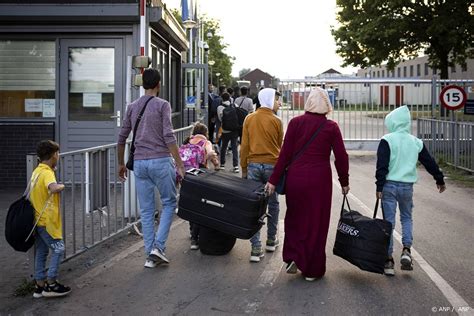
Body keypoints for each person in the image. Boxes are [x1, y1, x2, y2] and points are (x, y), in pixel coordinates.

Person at [266, 88, 350, 281]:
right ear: (327, 105)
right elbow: (341, 157)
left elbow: (284, 154)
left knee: (295, 218)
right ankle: (311, 268)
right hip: (319, 181)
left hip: (296, 178)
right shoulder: (331, 127)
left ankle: (294, 256)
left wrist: (273, 179)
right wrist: (344, 181)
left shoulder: (296, 123)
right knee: (316, 222)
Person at [118, 68, 185, 269]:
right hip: (160, 161)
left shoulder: (132, 107)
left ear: (142, 84)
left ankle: (149, 256)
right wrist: (180, 164)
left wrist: (121, 163)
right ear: (158, 84)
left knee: (146, 211)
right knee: (169, 202)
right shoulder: (162, 105)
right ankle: (158, 248)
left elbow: (121, 137)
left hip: (139, 163)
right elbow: (168, 136)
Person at [375, 105, 446, 276]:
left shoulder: (387, 140)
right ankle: (406, 250)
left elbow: (382, 166)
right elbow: (429, 162)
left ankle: (389, 261)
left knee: (389, 223)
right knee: (407, 218)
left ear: (392, 122)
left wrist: (379, 186)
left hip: (389, 186)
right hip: (407, 187)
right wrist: (439, 179)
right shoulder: (416, 142)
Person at [240, 88, 283, 262]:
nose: (278, 103)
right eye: (277, 100)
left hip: (253, 166)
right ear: (269, 99)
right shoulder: (277, 121)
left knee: (254, 206)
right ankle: (271, 239)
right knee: (273, 204)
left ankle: (255, 248)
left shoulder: (249, 118)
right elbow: (280, 146)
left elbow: (244, 146)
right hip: (272, 167)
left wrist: (244, 168)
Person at [30, 140, 71, 298]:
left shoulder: (37, 171)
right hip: (47, 222)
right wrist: (61, 186)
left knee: (41, 251)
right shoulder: (47, 173)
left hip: (37, 220)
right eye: (58, 153)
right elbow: (53, 187)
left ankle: (39, 285)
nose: (59, 156)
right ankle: (51, 284)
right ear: (54, 155)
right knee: (59, 249)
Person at [179, 123, 219, 250]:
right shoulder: (205, 142)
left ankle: (192, 232)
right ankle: (195, 239)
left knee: (191, 204)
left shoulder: (187, 141)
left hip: (185, 176)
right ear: (206, 133)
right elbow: (211, 154)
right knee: (200, 206)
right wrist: (217, 165)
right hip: (199, 176)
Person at [217, 92, 240, 173]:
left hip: (225, 130)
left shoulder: (220, 107)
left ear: (222, 98)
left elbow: (220, 119)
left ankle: (222, 165)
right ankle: (236, 166)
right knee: (234, 148)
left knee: (223, 147)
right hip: (234, 130)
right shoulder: (235, 105)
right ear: (229, 98)